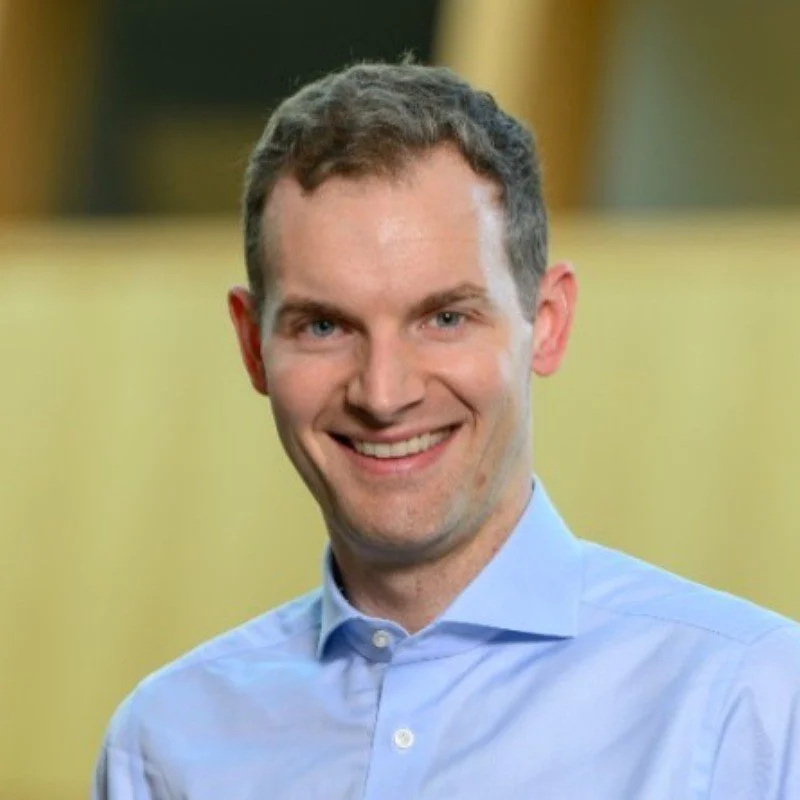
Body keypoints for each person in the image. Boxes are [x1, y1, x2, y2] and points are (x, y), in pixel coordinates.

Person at [93, 61, 800, 799]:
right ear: (251, 345)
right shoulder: (164, 743)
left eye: (445, 318)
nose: (383, 393)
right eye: (325, 326)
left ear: (547, 323)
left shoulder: (748, 706)